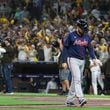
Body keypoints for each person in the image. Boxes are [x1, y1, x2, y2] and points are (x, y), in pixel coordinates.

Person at [63, 19, 96, 107]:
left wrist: (94, 58)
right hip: (72, 59)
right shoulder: (71, 35)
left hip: (82, 60)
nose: (84, 30)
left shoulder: (87, 36)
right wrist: (64, 61)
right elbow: (65, 48)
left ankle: (69, 100)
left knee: (76, 80)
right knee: (77, 79)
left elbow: (90, 49)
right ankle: (80, 98)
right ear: (78, 27)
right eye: (83, 28)